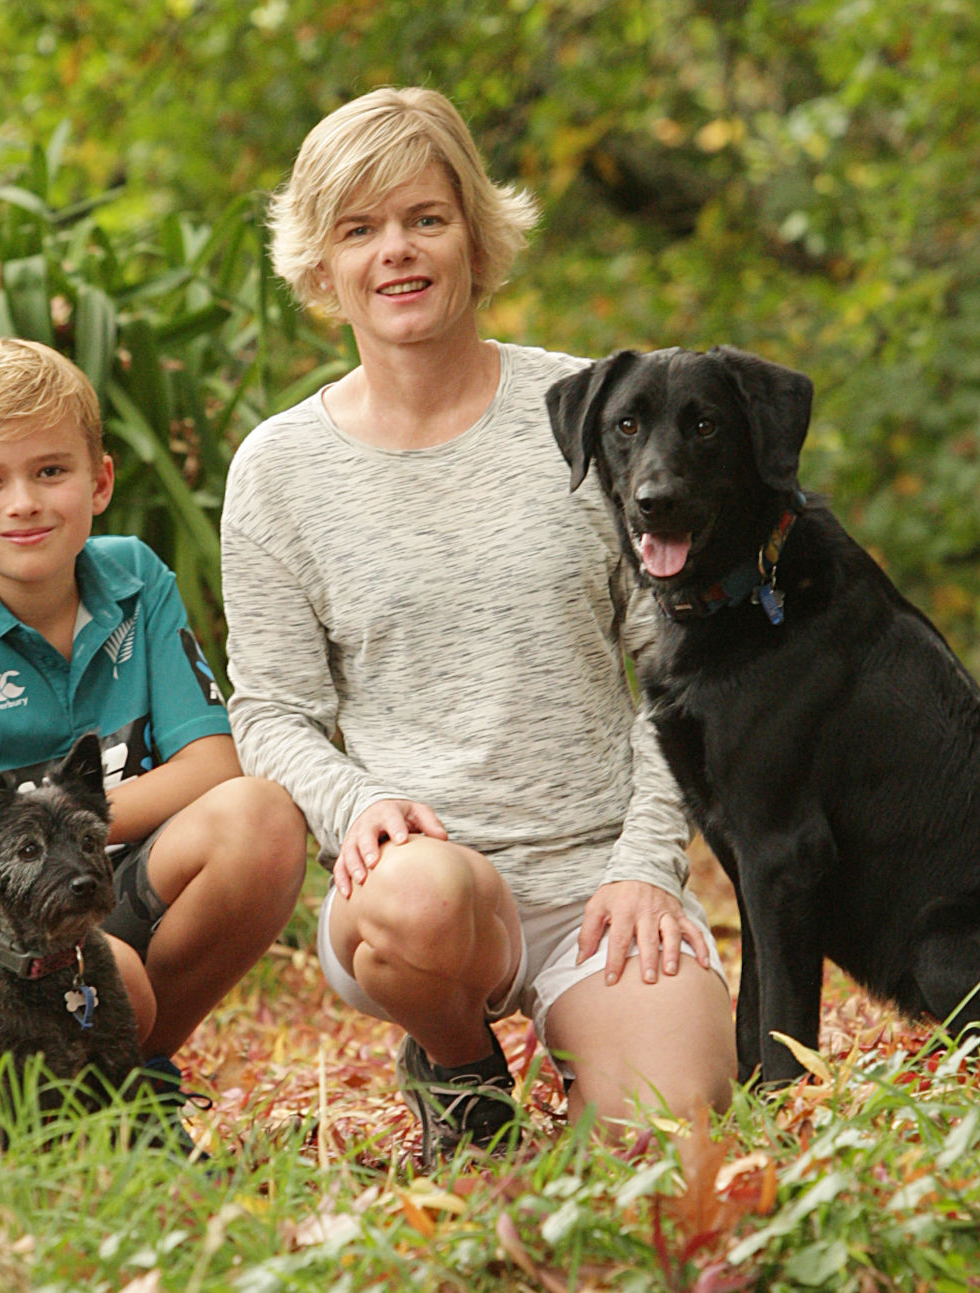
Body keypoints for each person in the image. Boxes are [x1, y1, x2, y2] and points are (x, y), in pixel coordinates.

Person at [221, 87, 736, 1164]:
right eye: (358, 230)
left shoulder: (598, 418)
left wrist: (650, 862)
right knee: (422, 899)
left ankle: (588, 1051)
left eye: (425, 218)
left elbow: (687, 672)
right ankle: (457, 1063)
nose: (396, 254)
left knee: (672, 1150)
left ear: (474, 234)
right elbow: (269, 710)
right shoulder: (279, 470)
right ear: (321, 263)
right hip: (419, 889)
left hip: (601, 887)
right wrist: (356, 802)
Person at [0, 336, 306, 1090]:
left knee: (261, 817)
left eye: (51, 470)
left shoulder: (136, 583)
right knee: (109, 971)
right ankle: (87, 1090)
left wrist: (63, 827)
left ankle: (138, 1072)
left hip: (101, 893)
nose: (24, 501)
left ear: (99, 482)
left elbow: (213, 766)